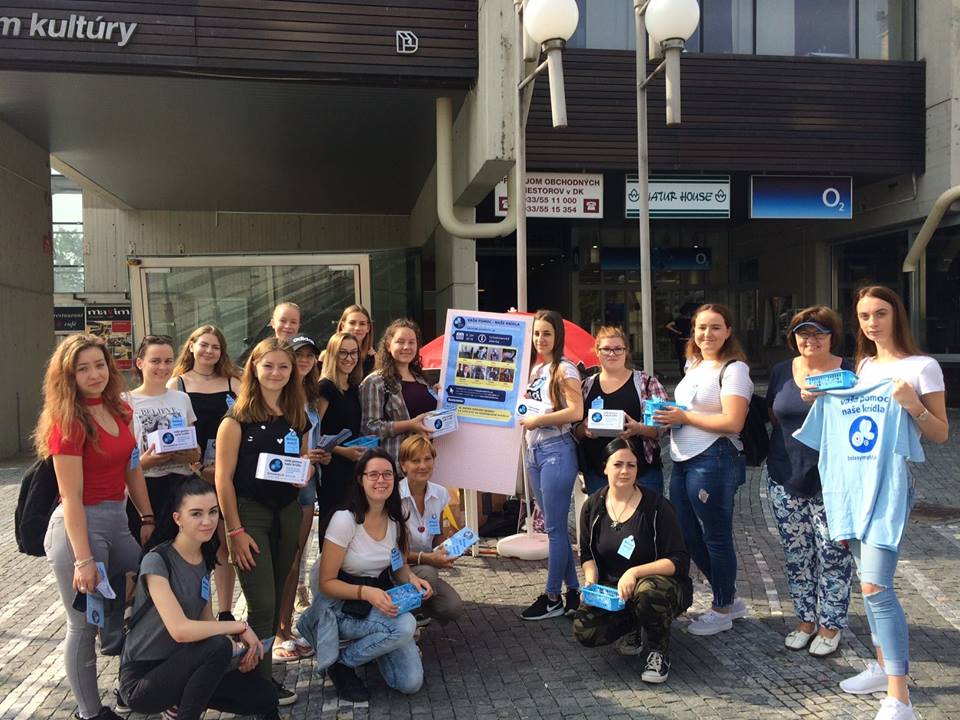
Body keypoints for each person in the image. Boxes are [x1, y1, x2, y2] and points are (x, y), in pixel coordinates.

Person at [834, 286, 948, 720]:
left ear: (897, 315)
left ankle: (900, 698)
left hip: (891, 486)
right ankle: (882, 667)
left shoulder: (923, 367)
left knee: (876, 587)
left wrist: (913, 405)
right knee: (866, 582)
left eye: (880, 313)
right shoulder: (864, 366)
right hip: (855, 484)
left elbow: (940, 433)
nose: (872, 323)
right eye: (864, 316)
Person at [36, 333, 155, 720]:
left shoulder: (121, 410)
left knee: (157, 588)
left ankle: (135, 685)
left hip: (118, 523)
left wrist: (148, 516)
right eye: (82, 369)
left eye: (99, 365)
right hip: (78, 530)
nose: (94, 374)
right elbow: (70, 497)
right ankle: (90, 712)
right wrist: (83, 560)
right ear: (67, 376)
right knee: (84, 625)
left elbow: (132, 467)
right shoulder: (67, 423)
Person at [118, 478, 279, 720]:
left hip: (185, 665)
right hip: (143, 680)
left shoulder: (203, 558)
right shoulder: (157, 560)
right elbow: (180, 630)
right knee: (218, 646)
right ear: (177, 518)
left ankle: (179, 702)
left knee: (265, 695)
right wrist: (240, 627)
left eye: (213, 512)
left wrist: (237, 652)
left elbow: (206, 622)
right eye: (196, 514)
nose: (208, 521)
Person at [214, 337, 311, 705]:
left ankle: (258, 676)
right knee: (263, 605)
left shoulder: (297, 414)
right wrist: (234, 530)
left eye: (283, 366)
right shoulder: (235, 419)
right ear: (254, 368)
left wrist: (304, 472)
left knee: (276, 596)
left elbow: (302, 462)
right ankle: (257, 685)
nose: (275, 372)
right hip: (249, 514)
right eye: (268, 365)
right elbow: (222, 480)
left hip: (287, 512)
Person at [296, 449, 432, 701]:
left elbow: (400, 566)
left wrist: (413, 580)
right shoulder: (344, 520)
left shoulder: (396, 519)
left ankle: (370, 648)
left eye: (387, 474)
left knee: (410, 683)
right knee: (405, 625)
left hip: (375, 602)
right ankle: (342, 663)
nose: (381, 480)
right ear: (360, 479)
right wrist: (366, 592)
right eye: (374, 475)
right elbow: (326, 583)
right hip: (340, 606)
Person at [652, 303, 752, 636]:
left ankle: (723, 608)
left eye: (715, 327)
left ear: (728, 332)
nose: (707, 334)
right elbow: (689, 410)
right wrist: (668, 417)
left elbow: (733, 422)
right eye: (701, 327)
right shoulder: (693, 364)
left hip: (714, 458)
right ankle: (729, 597)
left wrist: (684, 417)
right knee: (686, 534)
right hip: (682, 458)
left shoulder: (735, 369)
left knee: (716, 536)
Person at [766, 307, 854, 657]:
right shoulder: (780, 371)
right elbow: (774, 415)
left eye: (819, 333)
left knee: (833, 554)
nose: (810, 339)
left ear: (832, 337)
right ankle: (805, 621)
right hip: (785, 476)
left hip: (834, 480)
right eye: (803, 333)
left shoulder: (850, 372)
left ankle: (830, 626)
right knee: (797, 555)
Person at [573, 439, 692, 684]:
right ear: (605, 467)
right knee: (585, 630)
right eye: (618, 464)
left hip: (660, 586)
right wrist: (591, 583)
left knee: (648, 592)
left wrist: (634, 572)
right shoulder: (593, 506)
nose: (625, 471)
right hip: (614, 590)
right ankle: (632, 625)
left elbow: (679, 560)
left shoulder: (657, 507)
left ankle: (658, 650)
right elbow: (588, 555)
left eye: (631, 465)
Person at [169, 324, 240, 621]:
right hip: (191, 474)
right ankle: (196, 611)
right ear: (192, 346)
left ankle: (225, 611)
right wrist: (197, 467)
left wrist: (223, 468)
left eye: (216, 346)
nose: (209, 351)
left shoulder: (234, 382)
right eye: (204, 345)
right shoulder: (177, 384)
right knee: (194, 544)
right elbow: (173, 432)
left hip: (228, 473)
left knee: (224, 545)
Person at [518, 309, 584, 621]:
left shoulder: (564, 368)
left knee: (555, 530)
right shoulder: (535, 369)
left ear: (558, 336)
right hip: (534, 452)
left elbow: (576, 412)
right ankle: (573, 592)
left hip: (556, 449)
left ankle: (552, 596)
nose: (540, 339)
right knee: (555, 528)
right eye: (536, 333)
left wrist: (539, 420)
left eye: (547, 333)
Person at [273, 334, 330, 663]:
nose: (304, 360)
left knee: (295, 556)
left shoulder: (311, 396)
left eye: (310, 355)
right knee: (280, 558)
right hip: (278, 483)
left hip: (306, 483)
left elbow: (308, 442)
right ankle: (275, 632)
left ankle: (285, 627)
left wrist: (316, 456)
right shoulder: (275, 395)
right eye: (299, 355)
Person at [575, 326, 668, 495]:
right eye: (606, 349)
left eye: (618, 349)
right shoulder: (584, 386)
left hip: (642, 473)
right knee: (603, 513)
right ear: (597, 352)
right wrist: (583, 429)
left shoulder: (647, 383)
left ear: (626, 351)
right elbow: (573, 430)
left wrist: (638, 428)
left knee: (646, 513)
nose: (612, 354)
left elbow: (662, 428)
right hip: (598, 474)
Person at [127, 335, 201, 546]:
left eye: (168, 361)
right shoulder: (126, 401)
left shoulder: (182, 398)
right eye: (155, 361)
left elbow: (195, 449)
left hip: (181, 486)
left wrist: (191, 454)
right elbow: (124, 460)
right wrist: (146, 462)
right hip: (146, 489)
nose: (163, 367)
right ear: (140, 363)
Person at [397, 435, 464, 625]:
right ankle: (404, 619)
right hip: (396, 568)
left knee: (452, 607)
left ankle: (416, 609)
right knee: (428, 573)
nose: (423, 466)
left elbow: (437, 537)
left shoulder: (440, 493)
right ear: (403, 465)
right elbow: (392, 552)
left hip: (424, 567)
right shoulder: (393, 496)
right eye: (415, 460)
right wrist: (428, 559)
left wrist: (448, 548)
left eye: (428, 459)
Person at [360, 319, 437, 462]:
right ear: (388, 346)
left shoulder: (422, 380)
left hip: (425, 462)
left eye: (412, 342)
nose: (406, 347)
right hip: (395, 463)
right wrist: (409, 424)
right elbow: (369, 428)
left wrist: (439, 395)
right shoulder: (375, 382)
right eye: (400, 342)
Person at [317, 331, 365, 512]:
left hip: (352, 467)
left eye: (353, 353)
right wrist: (343, 451)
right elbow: (313, 433)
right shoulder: (325, 387)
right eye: (343, 353)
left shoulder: (353, 388)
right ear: (332, 355)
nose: (349, 358)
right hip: (331, 467)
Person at [337, 304, 376, 377]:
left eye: (362, 324)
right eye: (352, 323)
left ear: (368, 328)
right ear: (343, 326)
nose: (357, 328)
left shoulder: (374, 359)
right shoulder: (327, 356)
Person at [665, 303, 695, 374]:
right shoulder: (690, 321)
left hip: (680, 340)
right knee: (689, 357)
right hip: (688, 340)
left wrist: (677, 332)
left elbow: (668, 325)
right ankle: (688, 372)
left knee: (681, 358)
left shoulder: (678, 320)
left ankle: (682, 373)